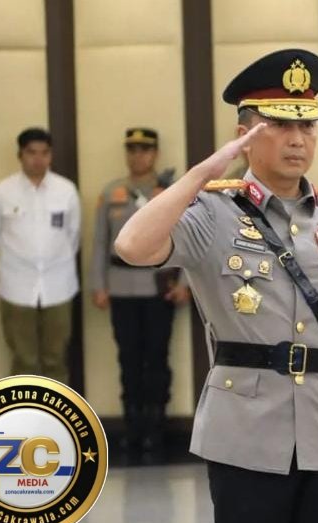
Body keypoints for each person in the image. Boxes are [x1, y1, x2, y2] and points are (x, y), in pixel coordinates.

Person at [114, 48, 318, 523]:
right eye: (280, 125)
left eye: (307, 125)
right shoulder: (212, 211)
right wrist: (203, 172)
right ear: (244, 135)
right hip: (246, 430)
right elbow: (132, 246)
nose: (298, 138)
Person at [91, 128, 190, 464]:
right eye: (132, 150)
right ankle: (132, 426)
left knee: (157, 358)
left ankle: (155, 427)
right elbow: (100, 242)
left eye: (145, 150)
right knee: (129, 358)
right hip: (121, 286)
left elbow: (188, 238)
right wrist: (99, 285)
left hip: (159, 286)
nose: (138, 156)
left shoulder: (169, 192)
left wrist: (185, 283)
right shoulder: (111, 193)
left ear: (155, 154)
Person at [0, 127, 81, 384]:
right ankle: (24, 410)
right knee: (24, 360)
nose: (38, 159)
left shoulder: (66, 190)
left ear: (51, 155)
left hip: (58, 284)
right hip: (16, 285)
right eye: (31, 153)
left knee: (56, 358)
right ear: (20, 155)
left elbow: (73, 236)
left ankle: (57, 409)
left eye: (44, 153)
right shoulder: (1, 192)